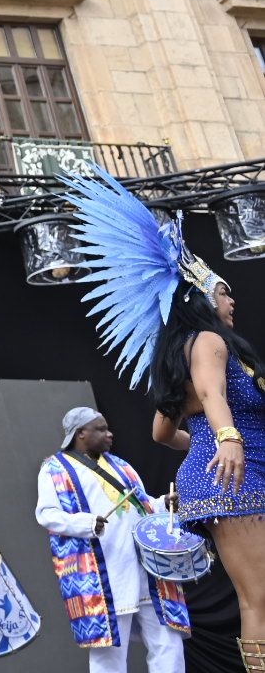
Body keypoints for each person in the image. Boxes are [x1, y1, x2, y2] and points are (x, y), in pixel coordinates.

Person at [63, 168, 265, 667]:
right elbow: (212, 395)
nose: (232, 299)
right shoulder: (210, 344)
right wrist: (225, 439)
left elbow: (161, 432)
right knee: (258, 597)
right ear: (200, 299)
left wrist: (205, 445)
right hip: (234, 476)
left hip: (226, 468)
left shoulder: (190, 351)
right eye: (223, 292)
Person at [36, 408, 187, 672]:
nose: (110, 434)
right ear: (80, 433)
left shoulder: (122, 466)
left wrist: (163, 503)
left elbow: (142, 505)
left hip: (147, 572)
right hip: (104, 575)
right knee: (110, 655)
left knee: (168, 643)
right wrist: (86, 523)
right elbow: (46, 514)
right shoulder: (54, 468)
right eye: (101, 429)